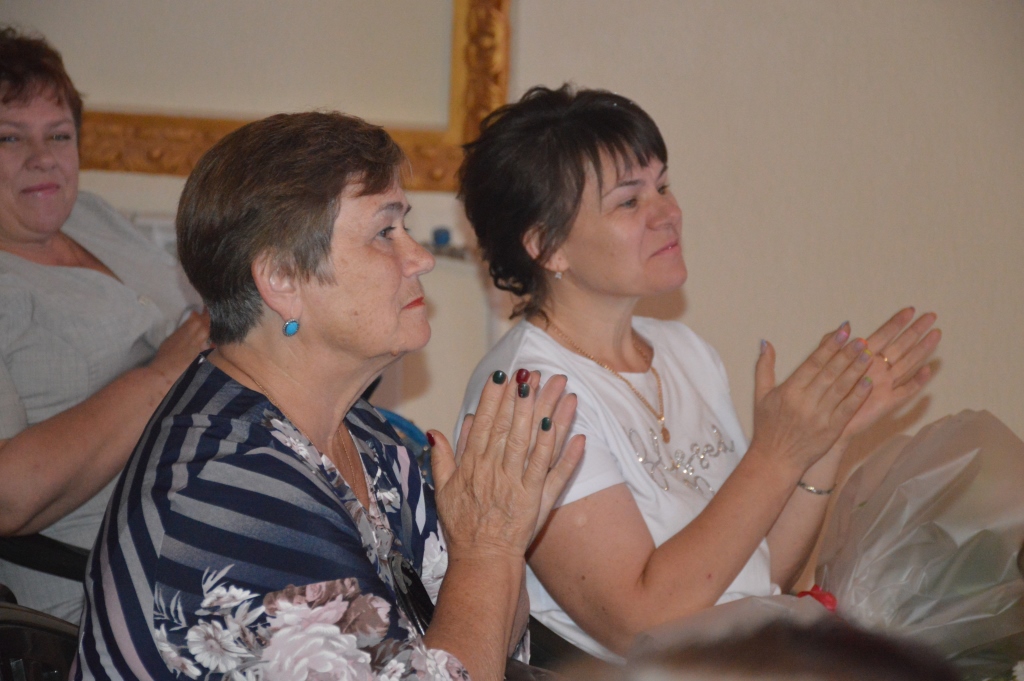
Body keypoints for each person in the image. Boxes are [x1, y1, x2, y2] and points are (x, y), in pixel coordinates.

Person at [74, 111, 584, 681]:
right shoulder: (230, 489)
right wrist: (490, 547)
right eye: (384, 233)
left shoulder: (365, 435)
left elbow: (480, 634)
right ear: (281, 279)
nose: (420, 258)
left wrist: (500, 537)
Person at [456, 84, 942, 663]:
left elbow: (758, 576)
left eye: (663, 186)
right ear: (547, 246)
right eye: (629, 202)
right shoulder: (530, 394)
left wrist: (824, 440)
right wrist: (776, 453)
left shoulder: (684, 352)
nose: (669, 213)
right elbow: (639, 625)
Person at [0, 26, 209, 621]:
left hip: (209, 529)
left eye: (58, 135)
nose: (42, 157)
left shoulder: (90, 215)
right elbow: (8, 497)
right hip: (111, 592)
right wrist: (162, 376)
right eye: (9, 137)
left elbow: (196, 319)